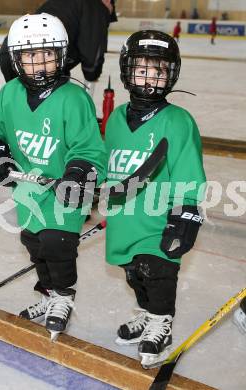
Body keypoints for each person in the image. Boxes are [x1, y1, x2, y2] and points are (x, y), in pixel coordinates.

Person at [0, 14, 106, 340]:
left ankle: (63, 295)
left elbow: (90, 149)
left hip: (63, 192)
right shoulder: (9, 94)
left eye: (46, 54)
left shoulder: (74, 99)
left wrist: (78, 173)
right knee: (34, 243)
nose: (39, 64)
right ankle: (49, 293)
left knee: (57, 244)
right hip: (29, 190)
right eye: (30, 55)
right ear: (17, 60)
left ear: (61, 55)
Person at [104, 30, 206, 367]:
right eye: (143, 69)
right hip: (125, 219)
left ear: (171, 74)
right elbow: (106, 164)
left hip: (158, 220)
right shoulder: (116, 119)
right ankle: (148, 313)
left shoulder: (178, 121)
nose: (150, 78)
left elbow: (188, 171)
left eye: (159, 70)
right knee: (134, 272)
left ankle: (161, 322)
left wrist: (186, 212)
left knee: (157, 270)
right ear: (127, 71)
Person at [0, 0, 117, 84]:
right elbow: (92, 49)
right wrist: (92, 73)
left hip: (12, 55)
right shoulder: (96, 6)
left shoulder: (64, 4)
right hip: (39, 62)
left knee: (24, 108)